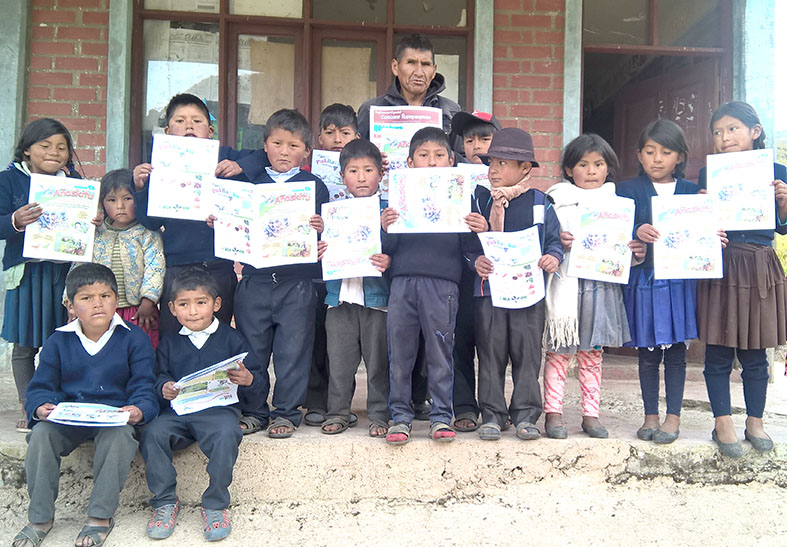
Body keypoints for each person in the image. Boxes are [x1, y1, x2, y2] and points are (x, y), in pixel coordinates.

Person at [12, 263, 158, 547]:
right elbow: (41, 386)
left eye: (105, 296)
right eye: (86, 298)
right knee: (41, 435)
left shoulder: (133, 338)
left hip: (113, 419)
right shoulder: (58, 341)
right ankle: (40, 517)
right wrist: (41, 406)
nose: (98, 304)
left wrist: (138, 408)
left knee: (119, 440)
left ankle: (99, 517)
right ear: (70, 304)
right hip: (69, 417)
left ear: (117, 300)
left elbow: (144, 384)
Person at [132, 93, 269, 341]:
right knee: (174, 339)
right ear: (167, 130)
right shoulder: (158, 165)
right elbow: (150, 223)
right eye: (180, 121)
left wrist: (241, 167)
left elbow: (263, 155)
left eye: (197, 121)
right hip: (176, 268)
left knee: (218, 339)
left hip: (217, 267)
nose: (189, 127)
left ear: (210, 131)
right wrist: (140, 188)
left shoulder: (223, 155)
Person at [381, 127, 487, 444]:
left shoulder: (462, 197)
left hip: (443, 286)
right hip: (402, 283)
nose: (431, 162)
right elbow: (386, 249)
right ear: (410, 163)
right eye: (424, 156)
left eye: (439, 156)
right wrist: (386, 227)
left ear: (451, 161)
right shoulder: (396, 197)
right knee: (400, 353)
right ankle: (400, 417)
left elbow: (469, 249)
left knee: (441, 353)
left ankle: (441, 416)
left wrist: (481, 230)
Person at [228, 108, 329, 439]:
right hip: (255, 281)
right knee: (252, 351)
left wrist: (321, 227)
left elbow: (327, 234)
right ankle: (255, 410)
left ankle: (286, 412)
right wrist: (224, 224)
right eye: (278, 143)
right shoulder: (248, 182)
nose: (285, 152)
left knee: (293, 351)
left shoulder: (314, 186)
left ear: (307, 151)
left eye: (294, 145)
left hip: (296, 284)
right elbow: (233, 222)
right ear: (265, 145)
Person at [141, 266, 259, 541]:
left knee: (228, 433)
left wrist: (247, 378)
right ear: (172, 308)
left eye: (201, 303)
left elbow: (255, 378)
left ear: (216, 304)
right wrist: (164, 388)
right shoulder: (170, 343)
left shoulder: (232, 339)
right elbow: (159, 376)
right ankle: (164, 501)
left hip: (217, 412)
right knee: (152, 433)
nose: (193, 311)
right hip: (179, 413)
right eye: (184, 304)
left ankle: (215, 503)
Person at [697, 101, 787, 458]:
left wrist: (783, 205)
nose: (724, 138)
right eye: (717, 132)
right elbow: (701, 226)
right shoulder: (709, 174)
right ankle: (723, 422)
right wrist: (701, 210)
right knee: (718, 350)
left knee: (755, 351)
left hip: (759, 265)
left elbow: (781, 228)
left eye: (732, 129)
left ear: (755, 130)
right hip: (721, 262)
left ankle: (755, 420)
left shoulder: (777, 171)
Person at [542, 134, 642, 439]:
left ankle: (591, 415)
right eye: (583, 164)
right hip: (567, 287)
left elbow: (626, 252)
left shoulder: (619, 205)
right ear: (569, 169)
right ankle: (553, 413)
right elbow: (542, 240)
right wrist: (557, 241)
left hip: (602, 287)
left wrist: (632, 251)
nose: (591, 170)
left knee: (592, 354)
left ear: (608, 168)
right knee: (559, 352)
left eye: (598, 164)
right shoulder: (555, 201)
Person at [469, 128, 563, 441]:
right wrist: (475, 260)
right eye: (491, 162)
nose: (493, 169)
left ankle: (525, 415)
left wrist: (553, 256)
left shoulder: (540, 202)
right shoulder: (479, 200)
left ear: (525, 169)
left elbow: (554, 240)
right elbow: (464, 244)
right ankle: (493, 415)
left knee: (527, 355)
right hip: (489, 293)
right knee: (490, 354)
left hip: (528, 294)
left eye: (503, 163)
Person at [616, 119, 702, 444]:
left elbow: (700, 235)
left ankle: (673, 417)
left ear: (679, 157)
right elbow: (615, 231)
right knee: (648, 353)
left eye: (666, 152)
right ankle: (650, 415)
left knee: (677, 351)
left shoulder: (693, 193)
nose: (657, 159)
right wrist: (635, 232)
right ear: (639, 155)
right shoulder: (626, 190)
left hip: (678, 282)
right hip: (644, 280)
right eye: (649, 151)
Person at [0, 118, 80, 433]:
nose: (54, 152)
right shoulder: (9, 181)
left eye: (61, 147)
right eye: (45, 146)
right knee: (25, 343)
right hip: (27, 273)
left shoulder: (73, 181)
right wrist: (14, 221)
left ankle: (57, 401)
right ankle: (28, 404)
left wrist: (92, 219)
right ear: (27, 150)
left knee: (61, 339)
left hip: (64, 272)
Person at [319, 139, 392, 437]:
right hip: (339, 299)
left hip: (377, 299)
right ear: (341, 176)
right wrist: (320, 248)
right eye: (353, 170)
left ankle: (379, 414)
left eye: (368, 170)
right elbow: (315, 255)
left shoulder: (389, 212)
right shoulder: (332, 214)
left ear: (381, 174)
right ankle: (337, 412)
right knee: (339, 361)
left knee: (378, 363)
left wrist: (389, 256)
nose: (361, 177)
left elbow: (402, 252)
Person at [303, 103, 362, 428]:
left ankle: (342, 403)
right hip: (316, 268)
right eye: (329, 133)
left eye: (345, 133)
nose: (337, 138)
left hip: (353, 269)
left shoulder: (368, 170)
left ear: (357, 135)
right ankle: (315, 400)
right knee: (316, 338)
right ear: (319, 138)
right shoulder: (308, 179)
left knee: (345, 343)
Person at [447, 110, 501, 433]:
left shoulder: (508, 182)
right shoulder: (449, 177)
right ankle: (465, 406)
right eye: (469, 140)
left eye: (484, 138)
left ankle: (494, 409)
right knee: (460, 340)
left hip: (495, 277)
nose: (477, 146)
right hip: (459, 274)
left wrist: (487, 229)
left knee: (493, 344)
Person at [85, 168, 165, 348]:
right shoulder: (96, 233)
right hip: (100, 308)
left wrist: (148, 301)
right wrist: (71, 298)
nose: (120, 206)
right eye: (112, 200)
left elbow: (155, 267)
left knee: (139, 350)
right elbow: (80, 265)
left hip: (137, 310)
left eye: (127, 198)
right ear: (102, 203)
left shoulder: (147, 234)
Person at [357, 34, 460, 140]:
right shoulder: (371, 109)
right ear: (395, 67)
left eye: (425, 64)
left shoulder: (451, 111)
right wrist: (374, 155)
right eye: (411, 62)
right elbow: (355, 152)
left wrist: (446, 154)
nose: (419, 73)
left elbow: (463, 155)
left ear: (434, 71)